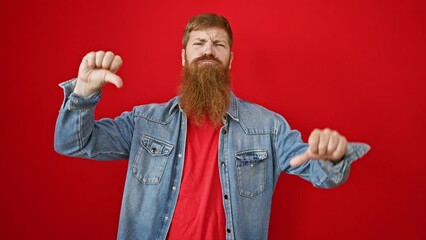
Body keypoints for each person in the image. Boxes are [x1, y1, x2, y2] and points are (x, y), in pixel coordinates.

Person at [54, 13, 370, 240]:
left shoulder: (267, 126)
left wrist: (331, 157)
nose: (208, 49)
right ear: (183, 56)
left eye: (219, 44)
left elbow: (320, 172)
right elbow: (72, 143)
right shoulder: (143, 122)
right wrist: (83, 93)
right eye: (199, 43)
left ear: (230, 59)